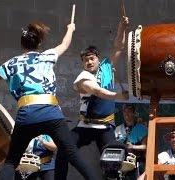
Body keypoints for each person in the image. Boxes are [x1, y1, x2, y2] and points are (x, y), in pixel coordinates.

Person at [0, 20, 99, 180]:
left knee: (11, 162)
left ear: (22, 44)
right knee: (72, 153)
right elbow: (65, 44)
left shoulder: (11, 63)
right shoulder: (47, 56)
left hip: (27, 114)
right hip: (50, 112)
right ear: (39, 44)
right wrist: (70, 29)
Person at [55, 16, 129, 179]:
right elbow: (97, 92)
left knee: (113, 161)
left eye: (91, 58)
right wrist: (118, 96)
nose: (88, 62)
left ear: (97, 58)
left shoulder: (107, 68)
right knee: (63, 150)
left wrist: (122, 27)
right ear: (82, 64)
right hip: (85, 127)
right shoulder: (82, 77)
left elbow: (118, 47)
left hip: (106, 127)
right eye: (85, 60)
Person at [115, 104, 147, 179]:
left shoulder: (141, 128)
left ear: (134, 113)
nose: (127, 114)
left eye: (129, 111)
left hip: (137, 161)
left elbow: (146, 146)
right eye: (125, 112)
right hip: (121, 161)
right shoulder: (118, 129)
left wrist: (133, 146)